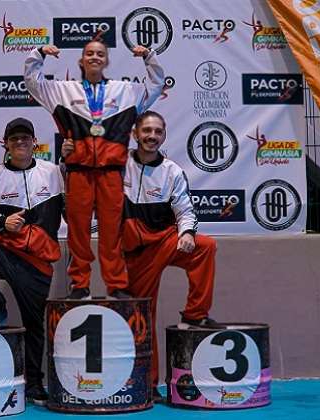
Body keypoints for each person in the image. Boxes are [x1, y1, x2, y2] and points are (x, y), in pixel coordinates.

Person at [24, 39, 165, 299]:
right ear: (81, 60)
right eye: (89, 53)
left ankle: (116, 285)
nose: (95, 57)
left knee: (112, 231)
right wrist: (39, 53)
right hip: (78, 172)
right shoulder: (63, 91)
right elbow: (33, 82)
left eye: (100, 54)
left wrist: (149, 57)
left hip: (111, 173)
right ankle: (80, 285)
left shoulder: (125, 91)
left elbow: (156, 84)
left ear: (107, 61)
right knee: (78, 231)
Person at [121, 111, 219, 403]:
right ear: (135, 134)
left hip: (165, 240)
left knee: (205, 246)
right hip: (135, 251)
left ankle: (195, 314)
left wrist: (186, 232)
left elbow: (185, 209)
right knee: (143, 316)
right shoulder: (117, 164)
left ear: (163, 136)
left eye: (158, 132)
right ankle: (148, 383)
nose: (152, 136)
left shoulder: (173, 170)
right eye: (147, 130)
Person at [0, 117, 63, 406]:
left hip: (38, 260)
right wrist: (1, 221)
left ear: (35, 142)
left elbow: (75, 206)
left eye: (25, 138)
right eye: (14, 139)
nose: (20, 142)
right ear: (6, 144)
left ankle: (34, 384)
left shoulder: (53, 172)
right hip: (6, 250)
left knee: (35, 324)